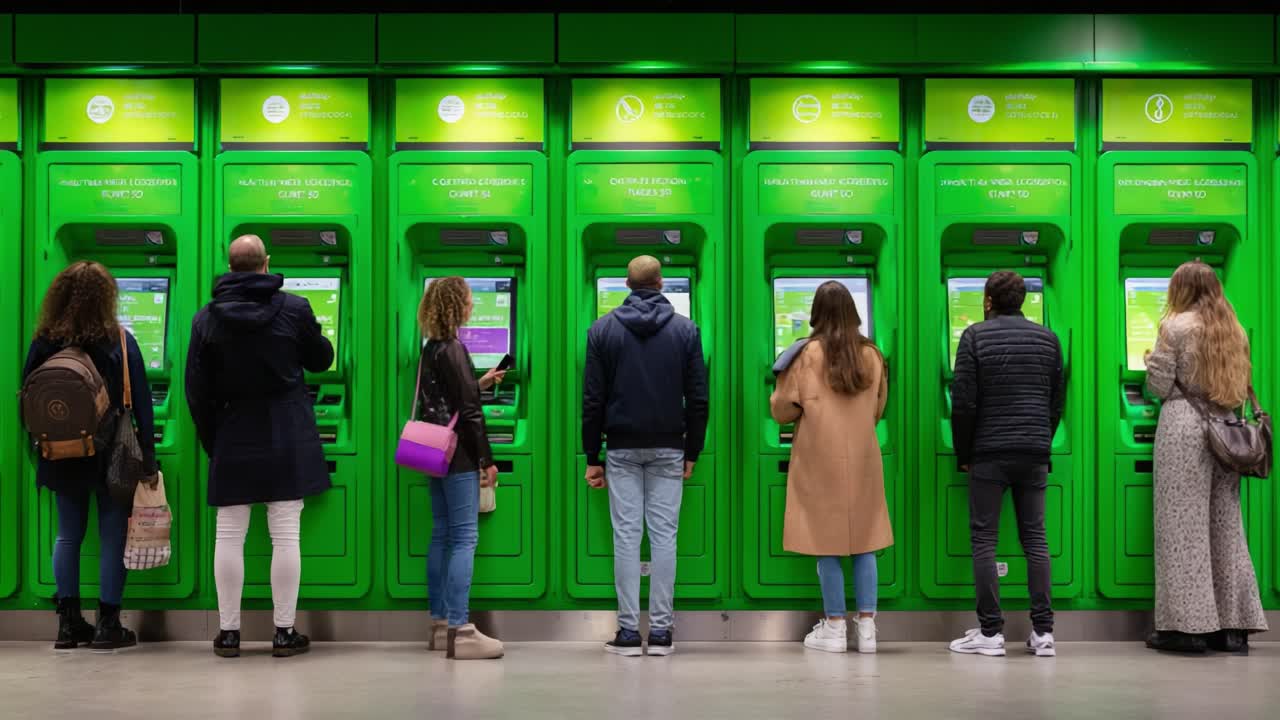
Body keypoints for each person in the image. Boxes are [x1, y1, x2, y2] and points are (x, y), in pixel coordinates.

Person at [186, 235, 333, 659]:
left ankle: (229, 633)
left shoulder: (206, 319)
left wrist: (214, 439)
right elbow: (321, 359)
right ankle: (283, 632)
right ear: (266, 264)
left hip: (233, 431)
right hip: (287, 431)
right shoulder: (294, 308)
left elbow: (196, 390)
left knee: (229, 534)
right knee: (285, 534)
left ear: (231, 267)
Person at [24, 261, 156, 651]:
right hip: (110, 454)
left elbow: (28, 400)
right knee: (113, 536)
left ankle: (68, 626)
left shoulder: (45, 340)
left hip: (60, 452)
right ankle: (108, 625)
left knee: (68, 535)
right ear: (106, 298)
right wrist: (148, 458)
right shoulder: (119, 338)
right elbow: (143, 405)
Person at [583, 255, 709, 657]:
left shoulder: (601, 330)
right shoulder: (686, 330)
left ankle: (625, 633)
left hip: (620, 446)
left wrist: (592, 455)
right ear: (661, 283)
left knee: (626, 536)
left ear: (626, 284)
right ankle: (659, 633)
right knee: (663, 536)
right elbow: (700, 399)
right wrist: (693, 450)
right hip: (669, 445)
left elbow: (592, 400)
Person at [1144, 261, 1268, 654]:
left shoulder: (1175, 327)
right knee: (1226, 527)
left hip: (1184, 426)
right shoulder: (1234, 330)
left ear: (1180, 288)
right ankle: (1233, 629)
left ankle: (1188, 629)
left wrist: (1151, 362)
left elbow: (1159, 386)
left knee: (1183, 529)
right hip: (1225, 429)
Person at [771, 281, 892, 654]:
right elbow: (878, 408)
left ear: (816, 314)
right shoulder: (872, 354)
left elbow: (781, 410)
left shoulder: (806, 354)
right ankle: (868, 629)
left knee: (826, 542)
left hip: (818, 457)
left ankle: (836, 627)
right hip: (863, 457)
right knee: (864, 540)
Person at [948, 270, 1064, 658]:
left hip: (990, 452)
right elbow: (1056, 402)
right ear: (1024, 300)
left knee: (985, 540)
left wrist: (963, 453)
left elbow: (963, 401)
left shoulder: (974, 336)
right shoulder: (1048, 339)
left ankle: (991, 633)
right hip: (1033, 451)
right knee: (1035, 537)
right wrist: (1041, 441)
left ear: (987, 300)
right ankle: (1044, 633)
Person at [417, 276, 507, 660]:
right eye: (469, 300)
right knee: (465, 538)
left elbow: (449, 398)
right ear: (458, 305)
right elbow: (469, 414)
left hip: (433, 452)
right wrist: (487, 461)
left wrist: (478, 382)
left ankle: (439, 626)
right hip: (459, 457)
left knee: (441, 535)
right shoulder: (455, 349)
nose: (472, 305)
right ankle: (462, 629)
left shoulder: (431, 348)